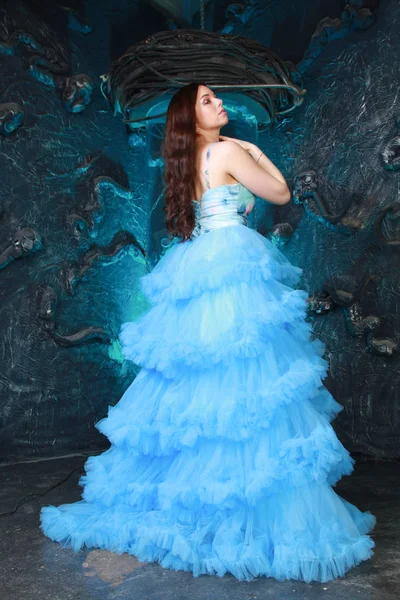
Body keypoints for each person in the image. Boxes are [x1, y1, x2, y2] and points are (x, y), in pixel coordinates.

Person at [40, 82, 376, 583]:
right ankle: (237, 500)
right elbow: (280, 193)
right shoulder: (225, 150)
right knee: (243, 383)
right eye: (207, 101)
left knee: (204, 385)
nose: (219, 103)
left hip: (201, 261)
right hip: (230, 262)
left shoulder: (191, 161)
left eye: (215, 97)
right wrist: (255, 150)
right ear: (192, 120)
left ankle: (206, 494)